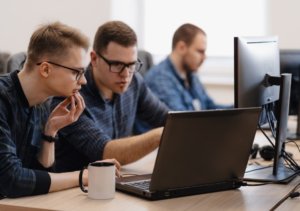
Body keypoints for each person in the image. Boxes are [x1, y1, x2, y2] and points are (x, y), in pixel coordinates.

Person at [0, 22, 120, 198]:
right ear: (46, 69)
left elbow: (37, 176)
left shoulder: (41, 104)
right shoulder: (3, 99)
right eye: (77, 72)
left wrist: (50, 132)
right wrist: (84, 176)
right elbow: (12, 180)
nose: (83, 81)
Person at [51, 21, 169, 172]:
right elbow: (105, 153)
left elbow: (167, 118)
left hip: (114, 180)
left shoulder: (134, 83)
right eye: (117, 65)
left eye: (131, 65)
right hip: (76, 189)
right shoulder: (70, 96)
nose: (126, 75)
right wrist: (159, 135)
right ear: (94, 59)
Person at [144, 23, 231, 111]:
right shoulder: (160, 79)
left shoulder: (190, 74)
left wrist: (239, 107)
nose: (204, 57)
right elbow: (183, 121)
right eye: (200, 51)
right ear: (181, 47)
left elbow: (210, 107)